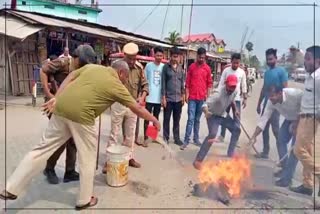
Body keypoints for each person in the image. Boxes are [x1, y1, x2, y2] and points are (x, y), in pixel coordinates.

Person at [0, 58, 160, 210]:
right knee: (88, 159)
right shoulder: (117, 85)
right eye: (125, 77)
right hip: (82, 117)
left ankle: (10, 187)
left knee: (40, 149)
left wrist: (57, 98)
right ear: (121, 73)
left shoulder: (92, 67)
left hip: (61, 110)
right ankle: (84, 200)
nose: (125, 81)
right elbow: (137, 108)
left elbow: (71, 75)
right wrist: (154, 120)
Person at [39, 46, 88, 185]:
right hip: (55, 105)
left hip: (69, 106)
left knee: (72, 139)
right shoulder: (63, 62)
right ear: (76, 58)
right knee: (60, 139)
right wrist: (48, 94)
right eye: (82, 62)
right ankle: (49, 168)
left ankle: (70, 171)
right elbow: (43, 70)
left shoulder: (82, 68)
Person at [104, 42, 148, 172]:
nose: (132, 61)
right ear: (124, 56)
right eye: (130, 58)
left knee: (130, 134)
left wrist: (142, 97)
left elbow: (145, 85)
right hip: (118, 104)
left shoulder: (139, 68)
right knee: (114, 134)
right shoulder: (116, 66)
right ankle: (109, 161)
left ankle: (128, 158)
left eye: (135, 58)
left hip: (133, 105)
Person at [250, 86, 303, 187]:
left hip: (301, 119)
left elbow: (305, 103)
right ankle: (285, 168)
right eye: (269, 97)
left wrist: (297, 123)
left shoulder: (293, 94)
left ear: (280, 93)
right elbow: (264, 119)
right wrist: (254, 137)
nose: (271, 99)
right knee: (280, 141)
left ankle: (287, 179)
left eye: (273, 96)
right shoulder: (271, 102)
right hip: (288, 119)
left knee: (294, 150)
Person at [289, 46, 320, 201]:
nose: (305, 62)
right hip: (304, 117)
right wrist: (298, 120)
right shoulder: (310, 76)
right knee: (308, 150)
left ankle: (318, 173)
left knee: (299, 150)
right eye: (305, 58)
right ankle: (308, 185)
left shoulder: (319, 78)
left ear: (317, 61)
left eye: (308, 59)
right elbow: (306, 101)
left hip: (312, 118)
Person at [193, 74, 241, 169]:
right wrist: (206, 112)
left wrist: (235, 110)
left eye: (233, 86)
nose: (231, 88)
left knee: (237, 130)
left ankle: (230, 153)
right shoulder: (217, 93)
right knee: (212, 135)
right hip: (212, 115)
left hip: (222, 114)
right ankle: (198, 160)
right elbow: (204, 105)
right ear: (225, 83)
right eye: (230, 86)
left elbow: (232, 100)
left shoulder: (234, 91)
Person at [255, 48, 288, 159]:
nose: (269, 61)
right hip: (266, 104)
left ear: (276, 58)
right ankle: (265, 152)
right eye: (267, 59)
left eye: (271, 59)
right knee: (263, 128)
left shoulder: (281, 71)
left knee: (276, 130)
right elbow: (264, 89)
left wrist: (281, 103)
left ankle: (282, 156)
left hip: (276, 105)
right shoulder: (267, 73)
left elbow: (285, 89)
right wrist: (259, 103)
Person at [180, 47, 212, 150]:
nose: (201, 59)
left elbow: (209, 84)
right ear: (197, 56)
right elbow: (187, 83)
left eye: (203, 57)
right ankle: (186, 140)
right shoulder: (192, 67)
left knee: (197, 120)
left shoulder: (207, 68)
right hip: (192, 98)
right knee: (190, 119)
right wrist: (186, 95)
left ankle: (196, 139)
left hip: (201, 98)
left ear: (205, 57)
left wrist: (208, 98)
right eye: (200, 57)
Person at [137, 46, 164, 147]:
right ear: (154, 55)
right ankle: (145, 138)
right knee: (146, 118)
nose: (159, 57)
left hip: (158, 98)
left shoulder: (163, 67)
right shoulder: (148, 66)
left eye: (161, 55)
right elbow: (145, 82)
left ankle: (153, 137)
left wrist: (163, 97)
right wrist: (143, 96)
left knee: (155, 118)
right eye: (157, 55)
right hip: (149, 97)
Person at [217, 53, 247, 143]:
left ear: (239, 62)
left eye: (237, 63)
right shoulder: (226, 71)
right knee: (224, 117)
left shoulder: (242, 72)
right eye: (234, 63)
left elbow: (244, 85)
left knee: (236, 118)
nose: (235, 65)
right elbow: (221, 84)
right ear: (231, 61)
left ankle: (235, 138)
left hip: (236, 99)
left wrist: (245, 98)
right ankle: (222, 135)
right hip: (226, 98)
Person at [161, 46, 185, 145]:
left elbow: (182, 83)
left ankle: (176, 138)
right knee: (166, 119)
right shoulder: (165, 68)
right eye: (174, 56)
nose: (175, 59)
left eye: (177, 57)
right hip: (169, 99)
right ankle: (166, 138)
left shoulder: (180, 68)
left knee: (177, 120)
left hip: (178, 99)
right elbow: (163, 83)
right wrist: (163, 98)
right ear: (170, 56)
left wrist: (183, 96)